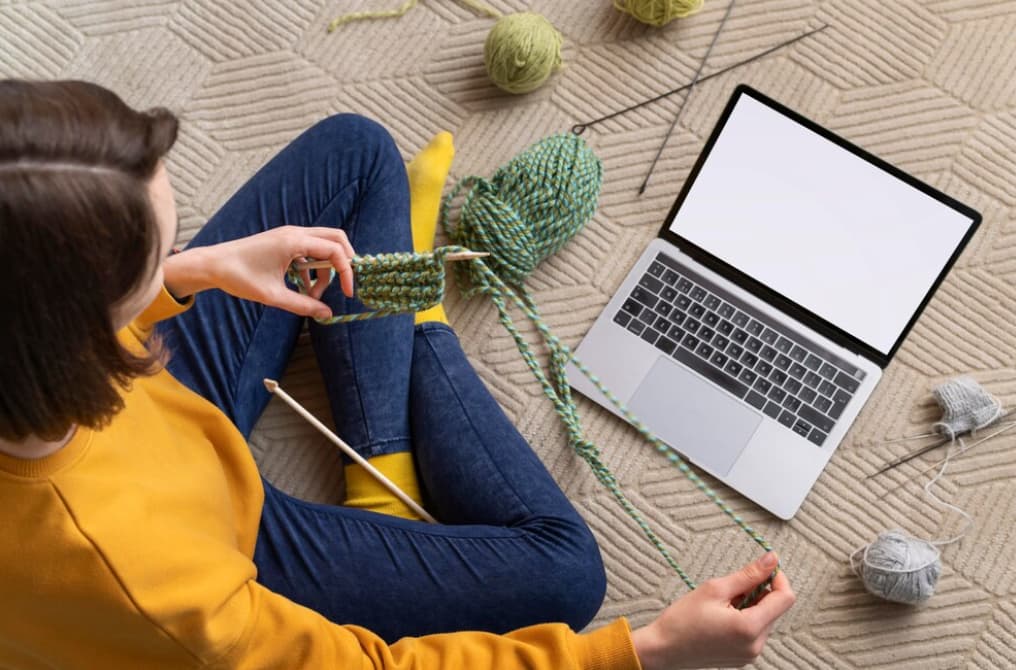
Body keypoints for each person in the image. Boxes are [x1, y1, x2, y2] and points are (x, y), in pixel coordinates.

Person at [0, 79, 795, 669]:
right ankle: (403, 401)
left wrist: (197, 270)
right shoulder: (146, 578)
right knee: (567, 571)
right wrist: (649, 651)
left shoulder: (25, 344)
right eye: (153, 254)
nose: (179, 249)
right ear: (73, 333)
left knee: (355, 152)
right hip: (208, 534)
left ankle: (385, 418)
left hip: (145, 415)